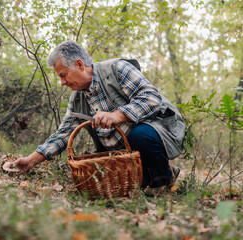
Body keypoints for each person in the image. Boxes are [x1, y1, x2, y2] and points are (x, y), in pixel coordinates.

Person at [10, 40, 185, 189]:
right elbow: (63, 134)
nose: (62, 82)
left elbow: (151, 97)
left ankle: (163, 180)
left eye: (63, 75)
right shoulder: (77, 99)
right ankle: (150, 175)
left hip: (158, 128)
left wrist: (118, 115)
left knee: (140, 136)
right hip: (118, 151)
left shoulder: (117, 68)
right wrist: (31, 160)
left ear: (79, 64)